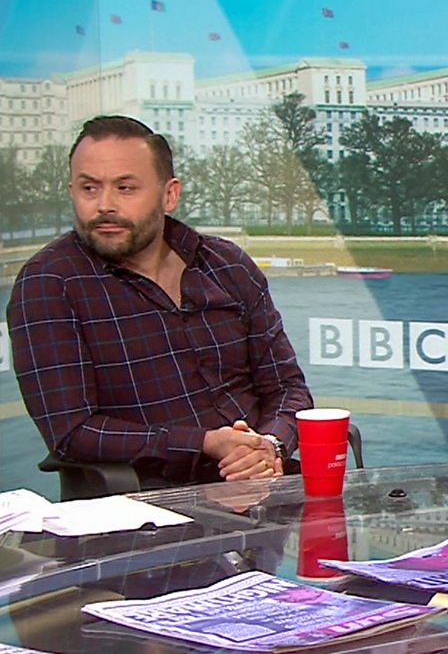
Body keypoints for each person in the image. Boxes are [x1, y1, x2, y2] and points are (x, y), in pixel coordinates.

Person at [7, 115, 312, 486]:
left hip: (267, 482)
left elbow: (287, 388)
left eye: (125, 188)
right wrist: (205, 443)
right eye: (89, 188)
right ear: (72, 190)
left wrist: (270, 445)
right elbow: (72, 433)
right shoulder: (49, 283)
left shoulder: (228, 265)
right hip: (149, 502)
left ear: (169, 194)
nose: (104, 205)